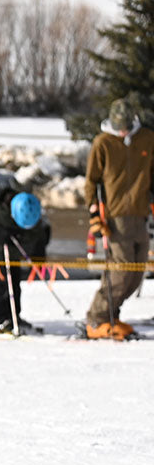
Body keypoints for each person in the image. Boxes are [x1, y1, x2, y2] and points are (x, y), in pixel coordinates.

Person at [81, 98, 154, 340]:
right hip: (115, 217)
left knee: (136, 271)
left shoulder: (147, 139)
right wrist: (94, 215)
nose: (122, 130)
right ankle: (97, 319)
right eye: (118, 125)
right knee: (120, 271)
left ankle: (112, 314)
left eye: (125, 125)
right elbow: (91, 181)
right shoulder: (103, 143)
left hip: (141, 214)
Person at [0, 189, 49, 334]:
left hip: (12, 252)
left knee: (15, 284)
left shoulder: (33, 212)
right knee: (1, 285)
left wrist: (38, 254)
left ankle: (13, 316)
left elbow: (38, 236)